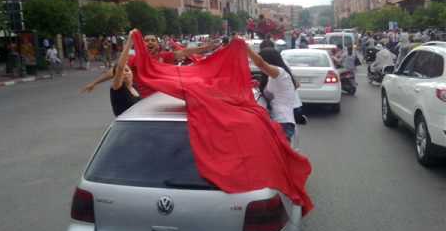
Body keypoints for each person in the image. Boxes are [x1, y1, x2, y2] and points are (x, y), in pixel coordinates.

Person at [81, 33, 220, 97]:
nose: (150, 42)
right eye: (146, 40)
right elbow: (114, 71)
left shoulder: (165, 56)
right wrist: (94, 83)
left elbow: (184, 52)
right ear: (141, 43)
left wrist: (205, 48)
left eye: (153, 40)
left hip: (166, 97)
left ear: (158, 44)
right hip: (143, 101)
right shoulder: (134, 59)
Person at [246, 46, 299, 141]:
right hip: (275, 122)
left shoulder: (280, 73)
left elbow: (260, 64)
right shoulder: (274, 76)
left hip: (283, 123)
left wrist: (247, 49)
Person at [110, 29, 141, 116]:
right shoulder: (117, 88)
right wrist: (130, 41)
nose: (124, 73)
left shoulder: (135, 87)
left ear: (132, 72)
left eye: (127, 70)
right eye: (120, 73)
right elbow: (120, 67)